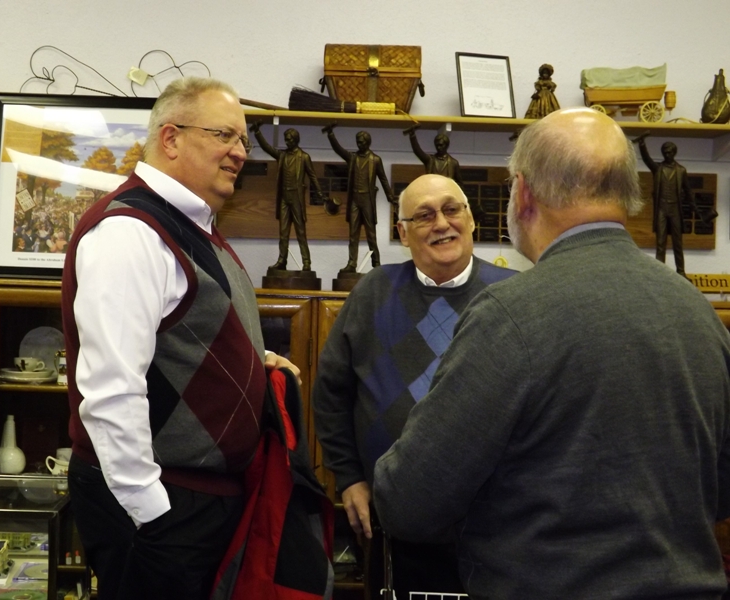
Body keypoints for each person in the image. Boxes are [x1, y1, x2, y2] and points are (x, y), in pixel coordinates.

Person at [373, 108, 730, 599]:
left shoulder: (510, 315)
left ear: (522, 194)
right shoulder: (698, 311)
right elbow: (721, 487)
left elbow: (410, 500)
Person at [61, 77, 299, 600]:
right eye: (224, 135)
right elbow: (112, 387)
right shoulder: (130, 232)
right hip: (164, 507)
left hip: (196, 500)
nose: (240, 152)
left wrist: (253, 361)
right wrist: (150, 510)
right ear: (171, 138)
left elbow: (174, 334)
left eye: (243, 140)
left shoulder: (190, 224)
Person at [312, 174, 516, 598]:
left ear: (471, 219)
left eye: (451, 209)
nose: (441, 223)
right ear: (403, 234)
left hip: (495, 525)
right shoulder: (373, 292)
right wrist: (349, 478)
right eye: (424, 215)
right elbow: (331, 394)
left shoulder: (513, 295)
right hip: (392, 522)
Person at [249, 125, 326, 271]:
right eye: (286, 139)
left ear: (296, 140)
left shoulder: (304, 157)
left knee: (300, 232)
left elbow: (313, 176)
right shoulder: (282, 155)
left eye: (289, 139)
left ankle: (306, 262)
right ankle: (282, 261)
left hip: (296, 198)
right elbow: (267, 148)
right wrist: (257, 132)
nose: (287, 142)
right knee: (283, 233)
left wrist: (320, 193)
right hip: (284, 198)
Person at [322, 124, 395, 272]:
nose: (359, 144)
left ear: (368, 143)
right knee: (353, 234)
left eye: (361, 142)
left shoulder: (375, 160)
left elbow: (383, 179)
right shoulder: (353, 158)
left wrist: (389, 196)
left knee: (371, 234)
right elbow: (339, 150)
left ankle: (376, 264)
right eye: (358, 142)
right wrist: (330, 134)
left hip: (367, 199)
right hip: (355, 199)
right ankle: (352, 263)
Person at [636, 136, 700, 276]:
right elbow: (647, 160)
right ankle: (660, 274)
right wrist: (642, 145)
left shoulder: (681, 171)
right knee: (660, 243)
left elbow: (688, 191)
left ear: (674, 153)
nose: (667, 154)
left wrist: (694, 207)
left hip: (675, 209)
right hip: (662, 209)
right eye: (665, 152)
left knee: (678, 243)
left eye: (669, 152)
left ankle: (681, 272)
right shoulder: (658, 168)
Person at [403, 125, 485, 223]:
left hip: (448, 200)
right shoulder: (430, 160)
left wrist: (463, 199)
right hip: (432, 198)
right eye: (437, 145)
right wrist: (412, 136)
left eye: (441, 145)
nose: (439, 147)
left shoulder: (453, 163)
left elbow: (459, 183)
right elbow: (418, 151)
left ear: (446, 145)